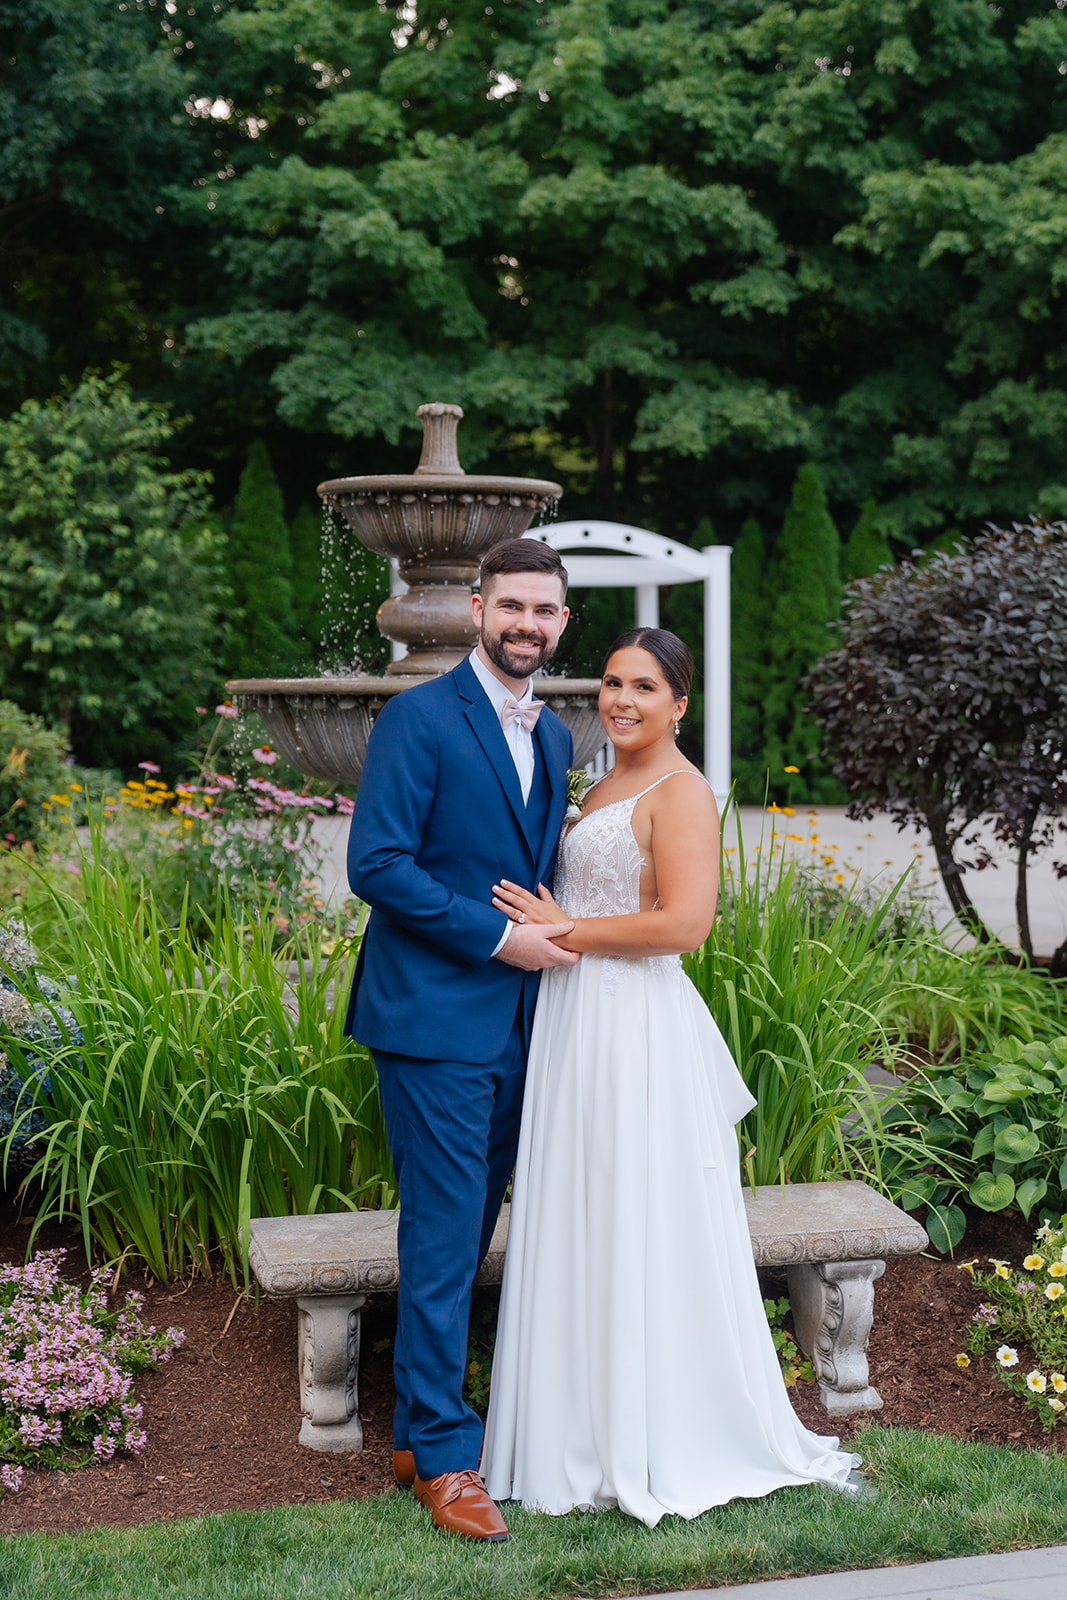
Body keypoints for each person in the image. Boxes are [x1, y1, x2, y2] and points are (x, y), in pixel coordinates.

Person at [480, 627, 858, 1525]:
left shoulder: (681, 791)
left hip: (633, 1026)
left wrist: (565, 929)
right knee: (581, 1208)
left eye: (643, 687)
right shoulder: (597, 782)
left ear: (679, 703)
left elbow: (685, 925)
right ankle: (573, 1425)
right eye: (611, 682)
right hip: (576, 1022)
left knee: (636, 1210)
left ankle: (655, 1428)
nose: (621, 700)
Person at [345, 538, 577, 1543]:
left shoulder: (559, 735)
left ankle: (411, 1426)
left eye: (546, 611)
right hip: (434, 1021)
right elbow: (378, 865)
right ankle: (444, 1457)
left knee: (465, 1229)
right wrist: (499, 939)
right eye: (512, 606)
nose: (527, 624)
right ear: (477, 607)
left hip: (522, 1024)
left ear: (563, 622)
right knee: (442, 1237)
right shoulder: (418, 718)